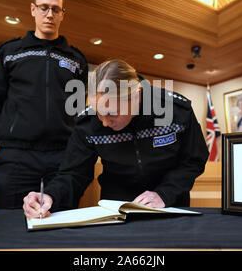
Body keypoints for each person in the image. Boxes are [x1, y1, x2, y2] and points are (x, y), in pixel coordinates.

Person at [23, 59, 209, 219]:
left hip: (170, 202)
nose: (104, 123)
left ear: (136, 96)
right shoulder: (88, 124)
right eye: (99, 113)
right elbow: (73, 173)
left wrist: (164, 193)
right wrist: (50, 196)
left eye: (112, 113)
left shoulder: (175, 109)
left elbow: (193, 160)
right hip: (116, 208)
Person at [0, 0, 89, 209]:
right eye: (44, 7)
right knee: (8, 222)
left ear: (63, 14)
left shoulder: (77, 60)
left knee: (60, 222)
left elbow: (78, 109)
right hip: (16, 155)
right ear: (33, 9)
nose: (49, 14)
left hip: (61, 156)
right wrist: (7, 135)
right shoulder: (9, 52)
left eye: (56, 9)